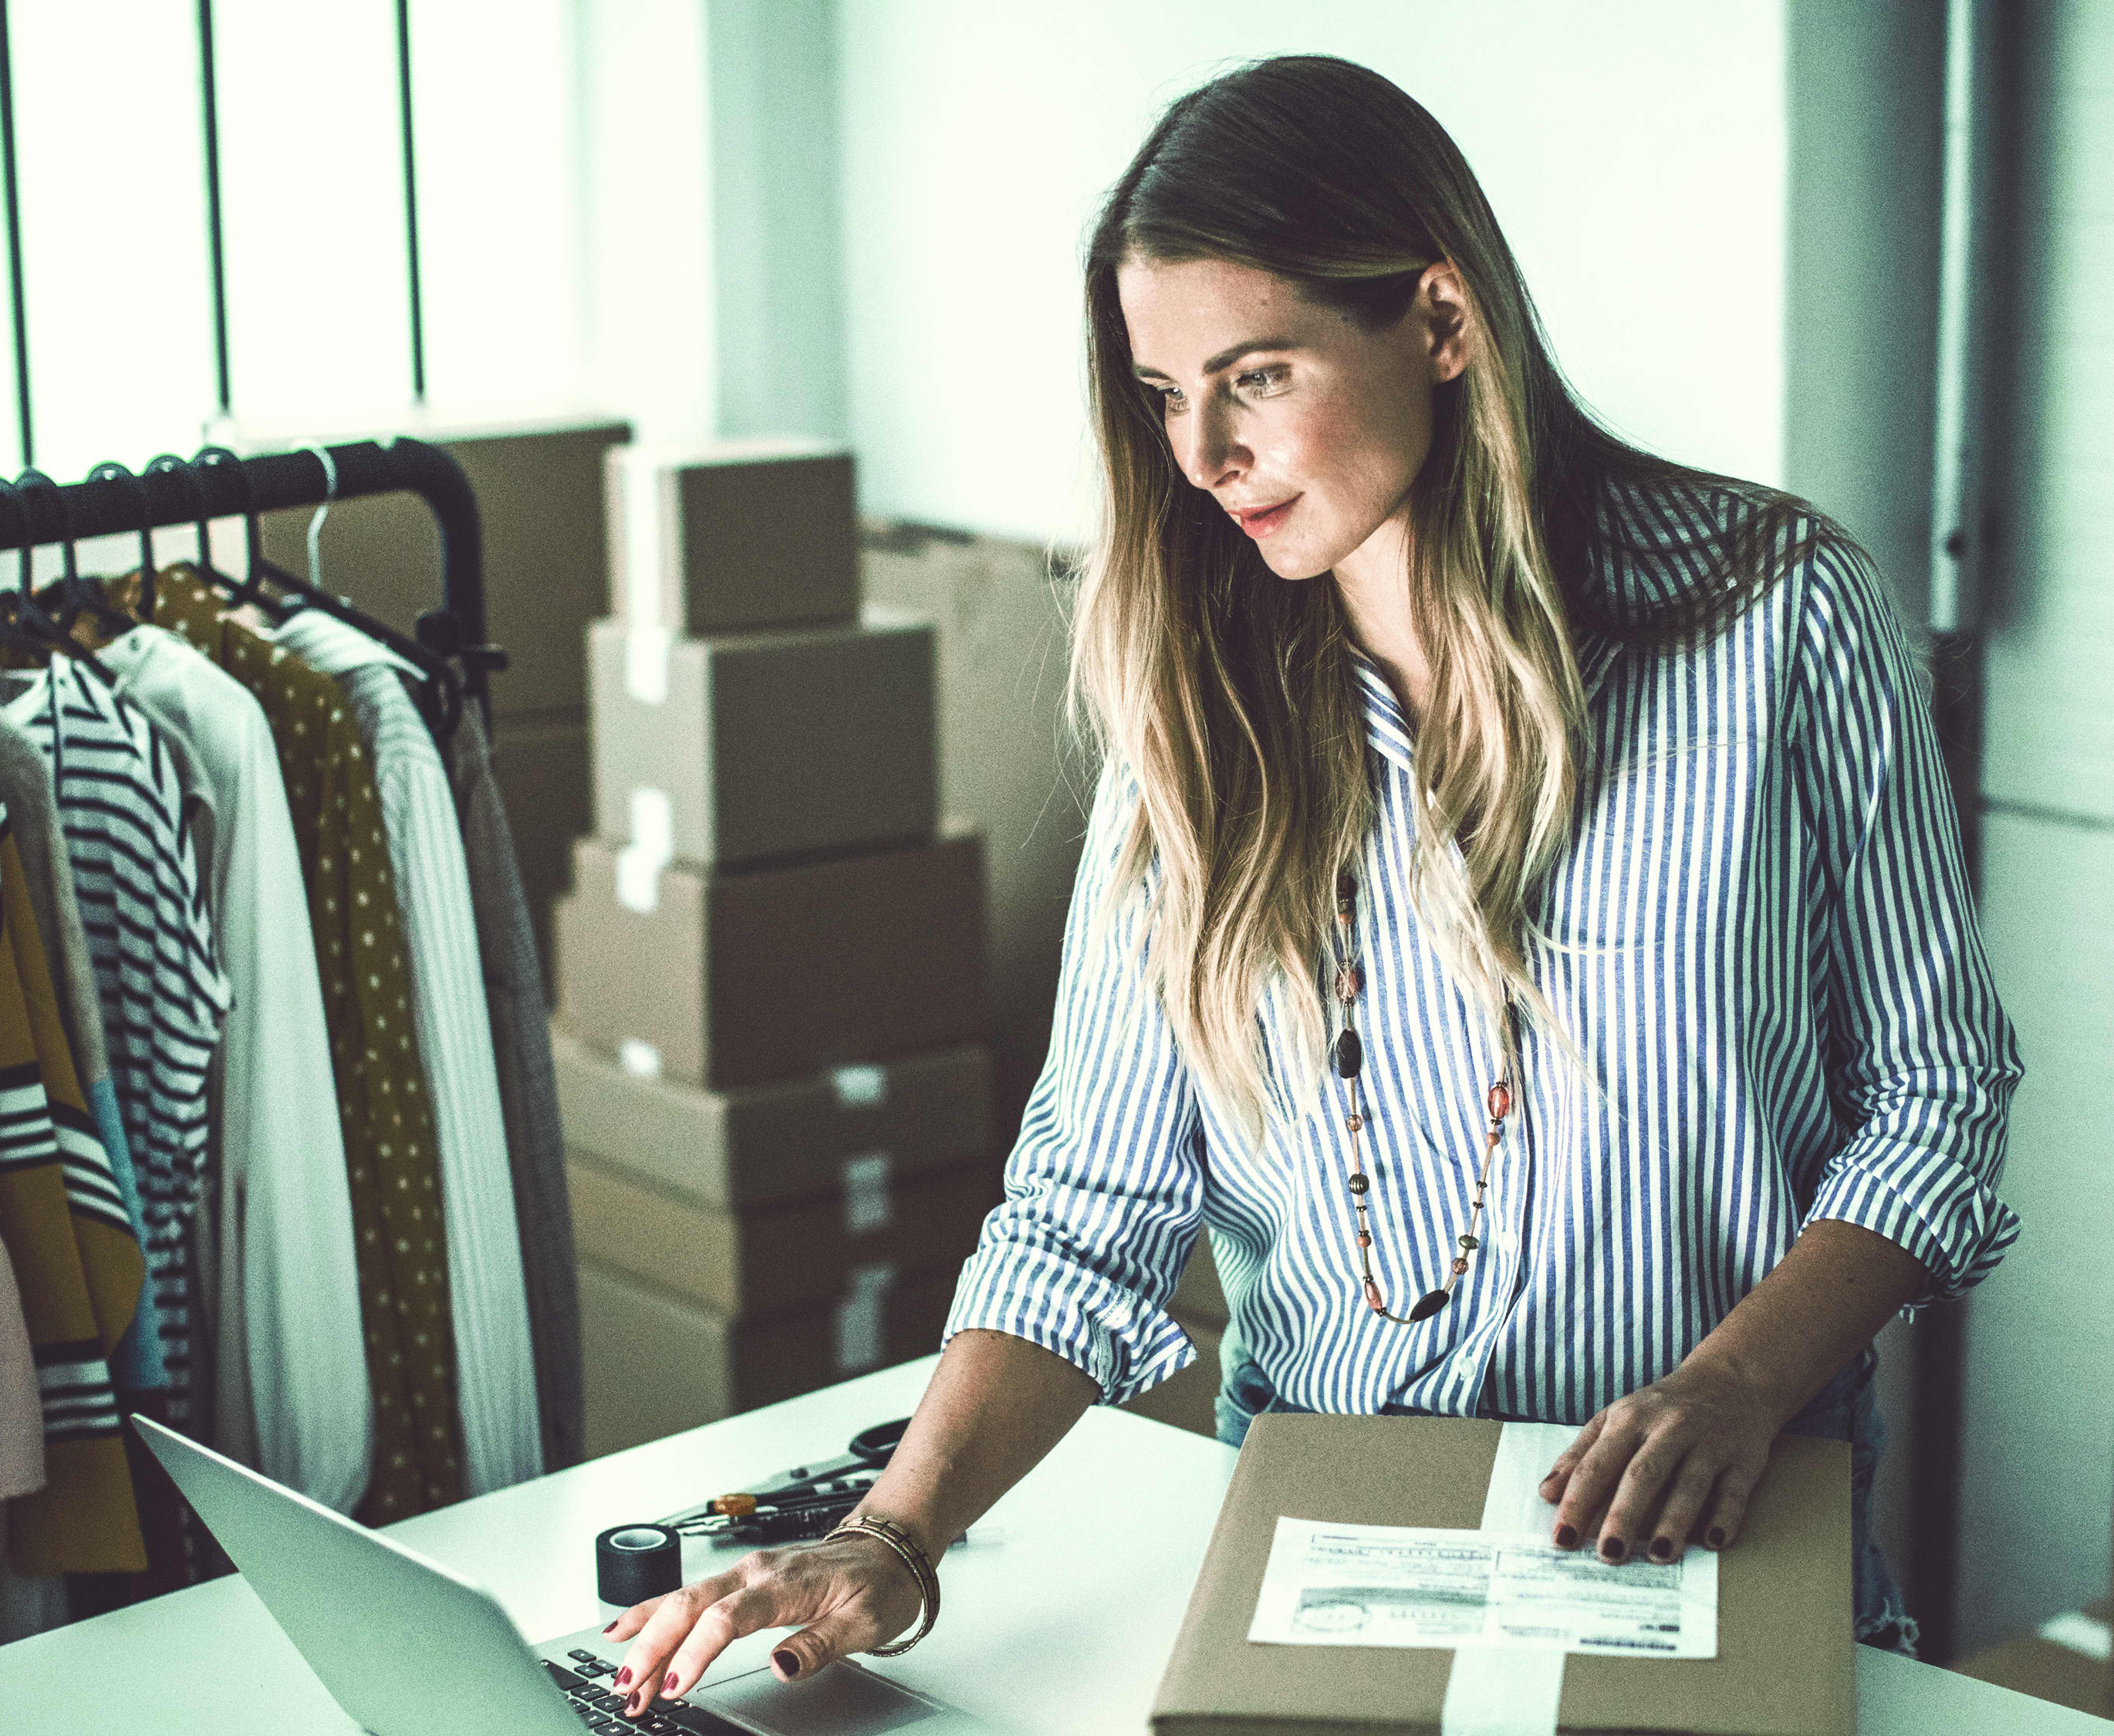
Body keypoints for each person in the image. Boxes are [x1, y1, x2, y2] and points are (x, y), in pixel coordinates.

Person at [601, 53, 2021, 1713]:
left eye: (1252, 376)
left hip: (1706, 1537)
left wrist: (1730, 1386)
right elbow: (1087, 1212)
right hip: (1323, 1552)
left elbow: (1935, 1099)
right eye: (1157, 394)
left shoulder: (1778, 619)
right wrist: (892, 1538)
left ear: (1436, 320)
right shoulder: (1192, 714)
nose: (1199, 452)